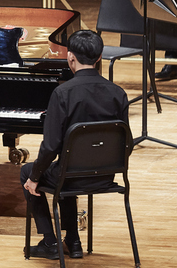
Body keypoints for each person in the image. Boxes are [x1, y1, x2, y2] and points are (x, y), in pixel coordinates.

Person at [21, 30, 129, 260]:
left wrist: (35, 177)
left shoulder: (62, 93)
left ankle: (50, 242)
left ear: (70, 57)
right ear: (99, 57)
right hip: (107, 175)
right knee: (66, 166)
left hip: (70, 175)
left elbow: (50, 146)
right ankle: (73, 240)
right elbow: (126, 143)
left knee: (28, 172)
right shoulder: (118, 93)